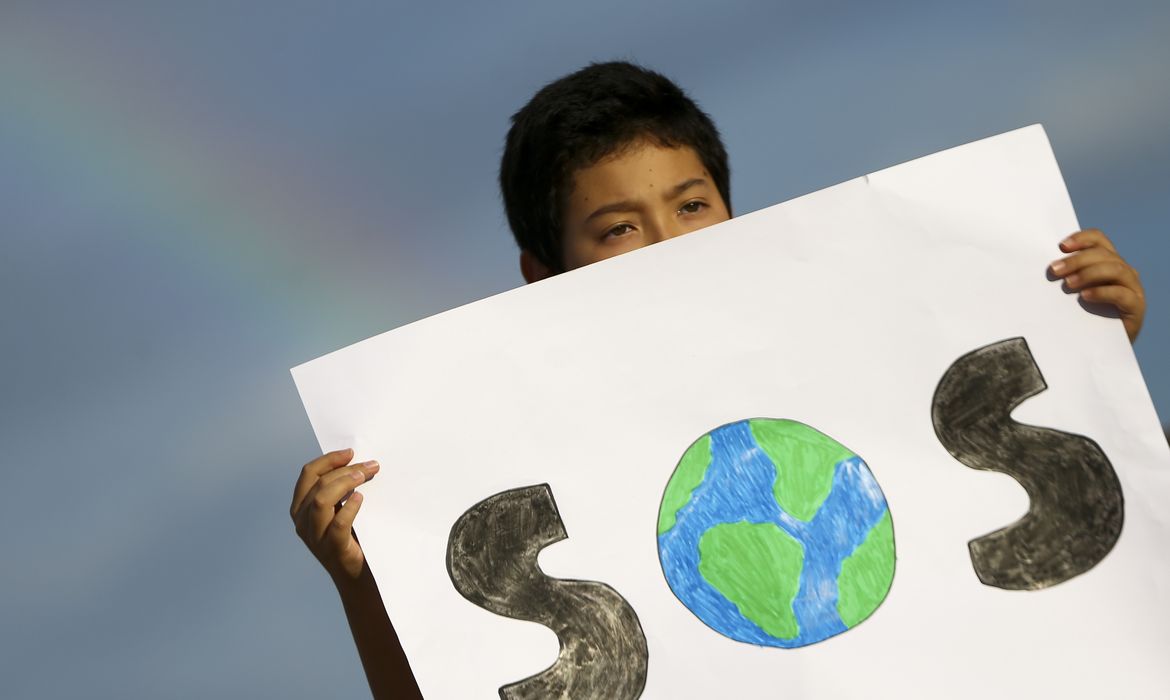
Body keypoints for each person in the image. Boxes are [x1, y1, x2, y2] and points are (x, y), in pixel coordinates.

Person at [289, 62, 1148, 698]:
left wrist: (1096, 367)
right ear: (543, 272)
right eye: (619, 228)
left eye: (692, 206)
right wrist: (367, 584)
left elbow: (1128, 584)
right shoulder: (503, 446)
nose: (672, 243)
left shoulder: (866, 341)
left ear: (731, 207)